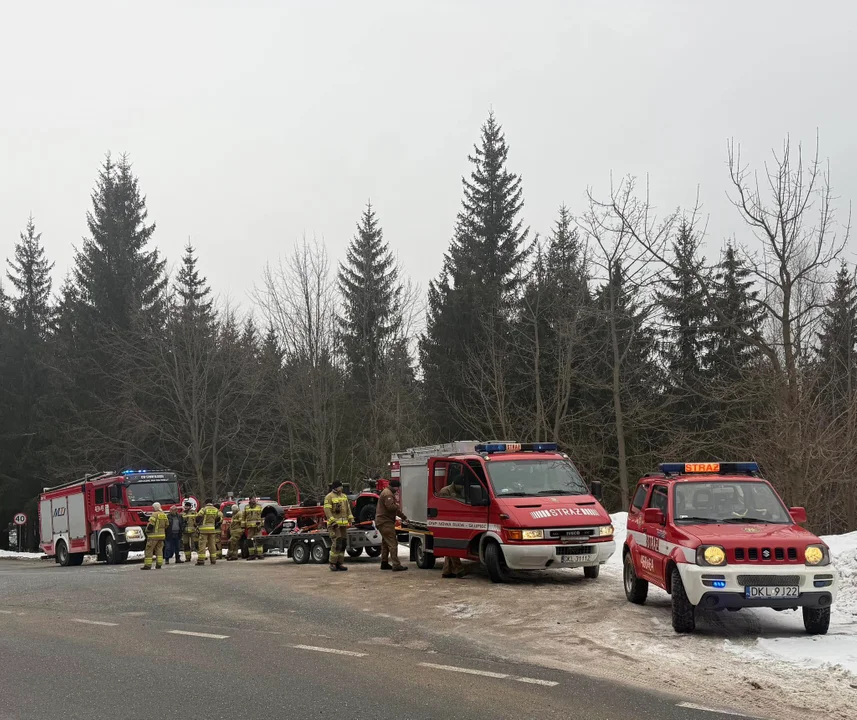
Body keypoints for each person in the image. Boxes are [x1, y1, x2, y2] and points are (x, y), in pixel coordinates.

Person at [375, 477, 407, 572]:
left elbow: (394, 510)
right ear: (395, 487)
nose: (398, 490)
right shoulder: (388, 494)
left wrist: (403, 517)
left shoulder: (386, 492)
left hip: (382, 521)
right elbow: (391, 508)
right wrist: (397, 506)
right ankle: (396, 564)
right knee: (393, 543)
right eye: (398, 488)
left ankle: (384, 563)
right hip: (385, 522)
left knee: (385, 543)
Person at [436, 477, 467, 578]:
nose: (462, 488)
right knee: (452, 547)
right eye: (461, 486)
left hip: (454, 521)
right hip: (447, 522)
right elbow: (446, 506)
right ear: (456, 484)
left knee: (450, 547)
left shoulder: (458, 490)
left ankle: (447, 571)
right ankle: (459, 569)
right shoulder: (445, 491)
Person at [323, 480, 353, 571]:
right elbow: (327, 511)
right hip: (334, 525)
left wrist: (350, 519)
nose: (342, 488)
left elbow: (348, 508)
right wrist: (333, 522)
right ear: (335, 487)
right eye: (340, 486)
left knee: (343, 543)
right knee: (337, 543)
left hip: (343, 525)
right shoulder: (329, 497)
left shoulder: (344, 496)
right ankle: (332, 563)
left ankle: (340, 563)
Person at [196, 499, 223, 565]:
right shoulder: (215, 510)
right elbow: (219, 519)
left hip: (204, 530)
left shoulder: (204, 509)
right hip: (212, 529)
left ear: (206, 503)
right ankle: (213, 560)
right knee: (212, 545)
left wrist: (198, 523)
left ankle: (201, 560)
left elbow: (198, 517)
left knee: (202, 545)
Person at [142, 502, 168, 570]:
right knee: (159, 550)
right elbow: (167, 524)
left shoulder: (154, 514)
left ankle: (147, 565)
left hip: (153, 536)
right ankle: (159, 564)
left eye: (153, 507)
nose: (152, 508)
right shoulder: (164, 515)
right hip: (162, 536)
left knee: (149, 550)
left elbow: (151, 525)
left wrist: (147, 530)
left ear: (155, 507)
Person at [244, 495, 263, 560]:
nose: (254, 500)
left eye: (254, 499)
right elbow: (244, 517)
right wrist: (243, 526)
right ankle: (252, 555)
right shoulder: (246, 507)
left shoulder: (259, 506)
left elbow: (262, 516)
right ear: (249, 500)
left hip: (258, 527)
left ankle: (260, 554)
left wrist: (261, 524)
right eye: (252, 499)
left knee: (259, 540)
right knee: (249, 541)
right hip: (250, 528)